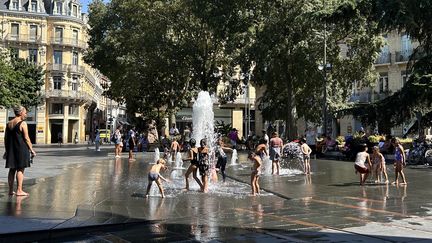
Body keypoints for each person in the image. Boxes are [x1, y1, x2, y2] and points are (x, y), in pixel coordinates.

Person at [4, 105, 36, 196]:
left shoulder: (9, 123)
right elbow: (26, 138)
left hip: (11, 150)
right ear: (21, 113)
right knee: (20, 169)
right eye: (25, 113)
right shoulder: (23, 123)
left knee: (12, 169)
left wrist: (7, 151)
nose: (26, 114)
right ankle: (19, 190)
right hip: (21, 149)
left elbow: (6, 138)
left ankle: (10, 191)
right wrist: (31, 149)